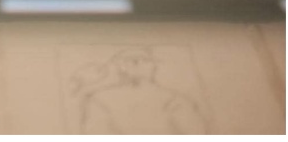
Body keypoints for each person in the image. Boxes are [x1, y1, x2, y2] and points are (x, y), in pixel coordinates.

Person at [75, 49, 206, 134]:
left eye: (144, 61)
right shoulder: (100, 99)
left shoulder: (176, 100)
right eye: (130, 61)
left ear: (153, 66)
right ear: (119, 66)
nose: (137, 64)